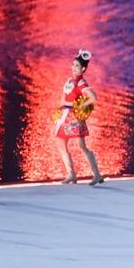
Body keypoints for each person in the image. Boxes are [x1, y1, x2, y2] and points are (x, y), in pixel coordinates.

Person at [54, 49, 104, 186]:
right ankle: (71, 174)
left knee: (81, 146)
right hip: (65, 115)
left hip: (74, 117)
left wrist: (80, 106)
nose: (73, 67)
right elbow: (64, 98)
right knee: (61, 144)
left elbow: (93, 97)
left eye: (77, 65)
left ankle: (97, 174)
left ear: (83, 69)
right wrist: (60, 109)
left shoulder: (81, 82)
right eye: (73, 64)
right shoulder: (70, 80)